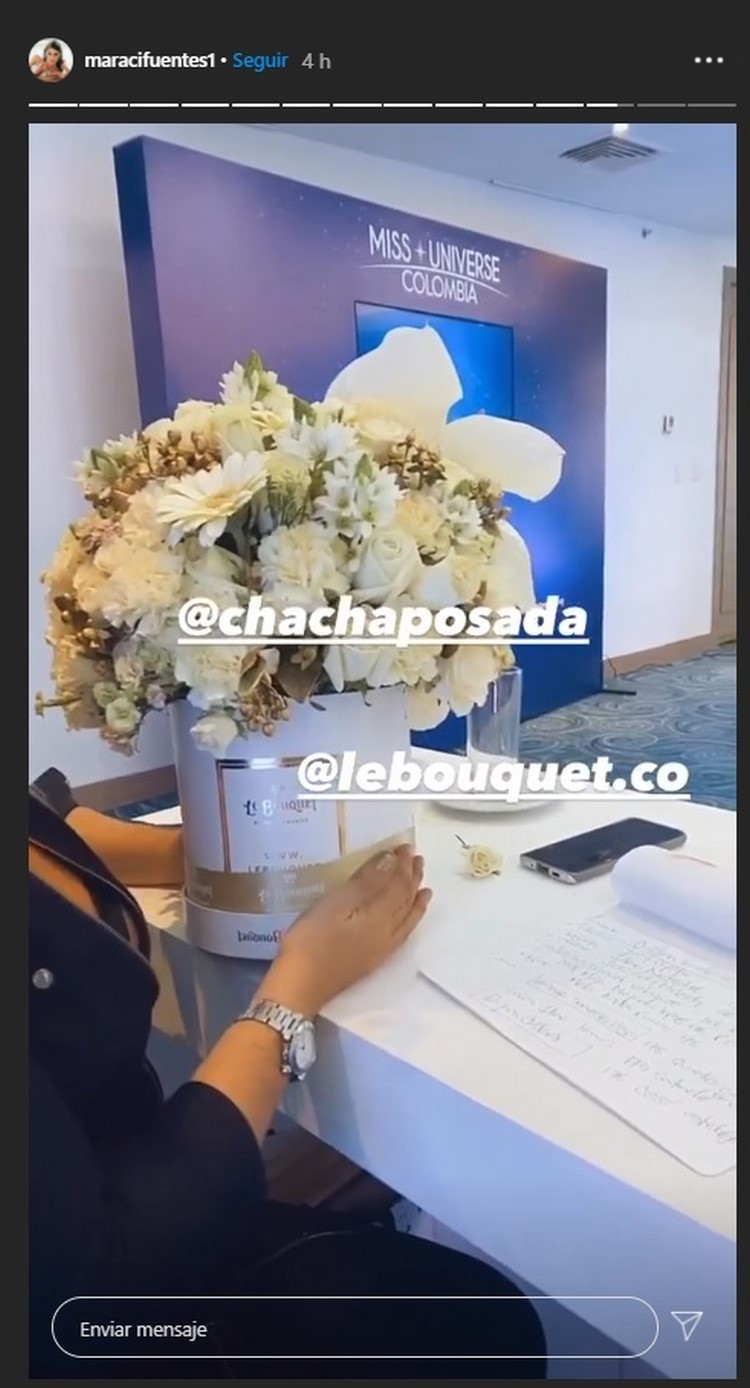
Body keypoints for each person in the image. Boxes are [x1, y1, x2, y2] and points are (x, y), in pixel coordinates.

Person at [30, 766, 547, 1378]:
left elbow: (54, 824)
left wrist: (249, 859)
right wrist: (295, 990)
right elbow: (97, 1293)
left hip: (114, 1172)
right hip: (113, 1313)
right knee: (481, 1327)